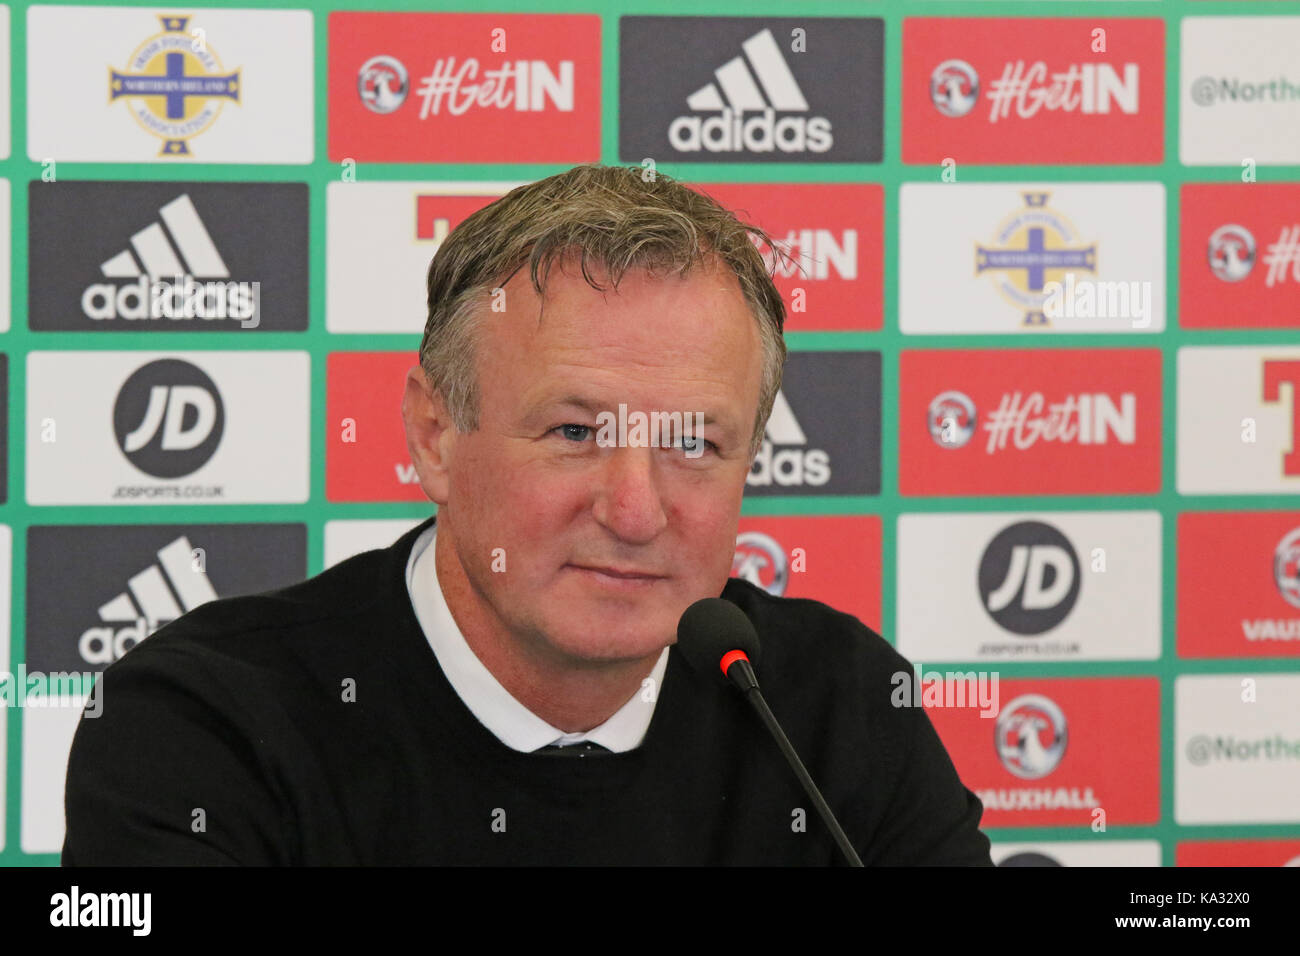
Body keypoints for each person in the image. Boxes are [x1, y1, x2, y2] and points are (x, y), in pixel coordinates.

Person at [62, 163, 992, 865]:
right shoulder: (203, 727)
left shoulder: (842, 709)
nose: (636, 510)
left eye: (696, 444)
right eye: (575, 430)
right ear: (435, 434)